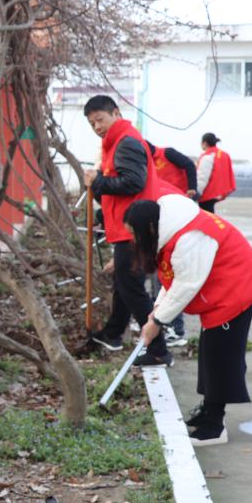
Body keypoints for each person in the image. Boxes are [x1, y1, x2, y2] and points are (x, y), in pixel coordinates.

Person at [125, 195, 252, 445]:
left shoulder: (189, 237)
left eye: (135, 234)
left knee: (221, 359)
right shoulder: (172, 230)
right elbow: (175, 278)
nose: (134, 241)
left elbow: (187, 284)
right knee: (209, 353)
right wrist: (158, 309)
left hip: (236, 290)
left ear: (150, 227)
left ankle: (214, 428)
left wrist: (157, 322)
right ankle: (208, 411)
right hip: (222, 290)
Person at [82, 95, 180, 366]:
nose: (97, 127)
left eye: (100, 119)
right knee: (125, 284)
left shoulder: (126, 142)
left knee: (132, 288)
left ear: (115, 113)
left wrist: (98, 181)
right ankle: (113, 334)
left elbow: (133, 183)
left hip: (133, 229)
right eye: (92, 124)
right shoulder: (116, 143)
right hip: (126, 228)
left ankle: (159, 349)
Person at [145, 140, 198, 347]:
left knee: (169, 278)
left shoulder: (167, 154)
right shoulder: (146, 170)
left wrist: (192, 188)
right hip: (163, 216)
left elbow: (189, 165)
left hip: (176, 213)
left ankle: (176, 329)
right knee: (160, 278)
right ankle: (165, 322)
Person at [195, 132, 235, 213]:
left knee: (207, 216)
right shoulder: (224, 155)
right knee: (211, 215)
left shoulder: (208, 156)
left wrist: (197, 193)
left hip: (208, 193)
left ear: (204, 143)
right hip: (218, 192)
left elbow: (202, 177)